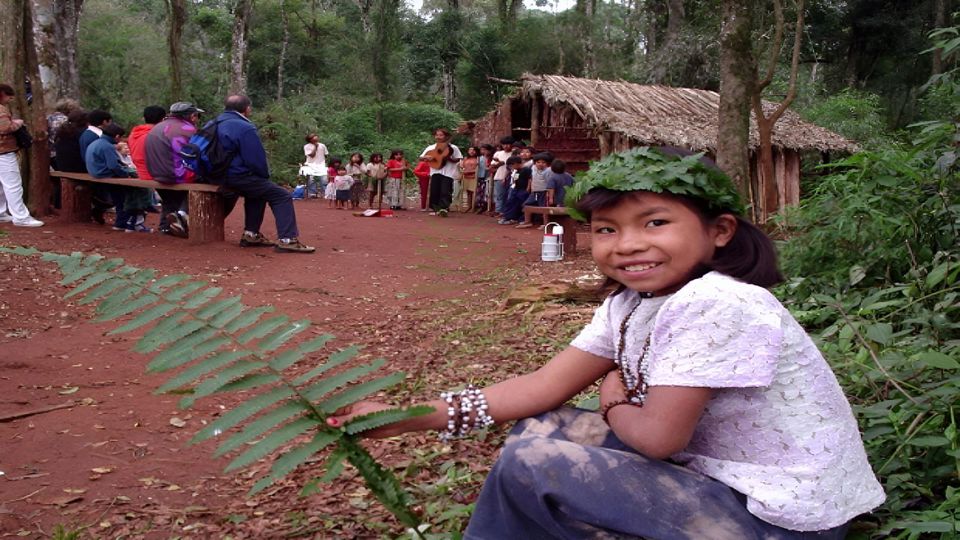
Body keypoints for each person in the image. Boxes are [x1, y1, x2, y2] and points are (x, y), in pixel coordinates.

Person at [325, 147, 886, 539]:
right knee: (541, 427)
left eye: (655, 222)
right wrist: (413, 415)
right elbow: (541, 387)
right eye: (607, 229)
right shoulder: (628, 304)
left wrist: (615, 400)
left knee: (536, 463)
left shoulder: (719, 302)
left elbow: (660, 440)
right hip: (719, 480)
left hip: (778, 520)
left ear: (719, 232)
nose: (627, 244)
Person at [214, 95, 314, 253]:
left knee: (257, 193)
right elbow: (255, 159)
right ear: (247, 109)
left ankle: (251, 234)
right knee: (281, 195)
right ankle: (287, 239)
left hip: (215, 175)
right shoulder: (244, 127)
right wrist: (263, 175)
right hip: (236, 176)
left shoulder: (214, 122)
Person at [144, 102, 205, 237]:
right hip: (175, 175)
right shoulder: (188, 130)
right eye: (197, 116)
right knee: (207, 179)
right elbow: (202, 153)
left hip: (156, 174)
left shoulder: (157, 127)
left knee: (170, 199)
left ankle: (166, 227)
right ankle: (182, 215)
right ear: (192, 116)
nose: (196, 119)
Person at [85, 123, 148, 232]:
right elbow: (113, 166)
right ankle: (124, 223)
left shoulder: (96, 142)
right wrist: (126, 175)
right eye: (121, 137)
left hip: (95, 172)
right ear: (117, 136)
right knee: (124, 198)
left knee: (118, 198)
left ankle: (121, 222)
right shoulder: (107, 146)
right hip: (105, 174)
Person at [0, 83, 43, 227]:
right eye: (8, 97)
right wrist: (17, 123)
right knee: (13, 185)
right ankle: (21, 217)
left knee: (1, 185)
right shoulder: (1, 110)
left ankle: (1, 212)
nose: (9, 100)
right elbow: (5, 127)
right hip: (4, 152)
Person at [419, 128, 462, 216]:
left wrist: (447, 158)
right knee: (435, 191)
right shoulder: (431, 147)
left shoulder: (453, 148)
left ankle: (444, 209)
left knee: (445, 191)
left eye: (441, 135)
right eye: (437, 135)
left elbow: (458, 158)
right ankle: (436, 209)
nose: (438, 137)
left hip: (448, 172)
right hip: (435, 171)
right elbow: (421, 157)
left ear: (446, 136)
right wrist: (428, 158)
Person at [515, 152, 553, 229]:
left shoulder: (548, 171)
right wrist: (530, 188)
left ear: (547, 164)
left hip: (544, 192)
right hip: (534, 191)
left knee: (544, 208)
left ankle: (546, 224)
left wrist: (549, 194)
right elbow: (531, 178)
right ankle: (527, 222)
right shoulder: (533, 168)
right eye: (538, 162)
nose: (540, 164)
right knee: (526, 205)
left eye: (543, 162)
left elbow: (550, 183)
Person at [497, 156, 531, 225]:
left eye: (512, 165)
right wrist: (514, 187)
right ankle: (509, 217)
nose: (511, 167)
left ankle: (522, 218)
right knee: (511, 202)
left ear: (516, 163)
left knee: (522, 203)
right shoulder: (516, 171)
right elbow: (515, 179)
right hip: (516, 189)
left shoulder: (526, 170)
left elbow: (529, 179)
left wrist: (528, 188)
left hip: (523, 189)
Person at [489, 136, 514, 216]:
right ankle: (499, 210)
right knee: (499, 195)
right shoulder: (498, 153)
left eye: (508, 144)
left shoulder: (514, 154)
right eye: (504, 144)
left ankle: (506, 211)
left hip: (511, 177)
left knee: (509, 195)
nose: (506, 146)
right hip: (499, 176)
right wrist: (499, 163)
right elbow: (492, 166)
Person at [302, 133, 328, 198]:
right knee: (311, 179)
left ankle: (326, 193)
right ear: (310, 140)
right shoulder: (307, 146)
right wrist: (315, 147)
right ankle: (312, 194)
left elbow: (326, 154)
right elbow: (311, 155)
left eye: (315, 136)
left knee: (324, 180)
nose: (315, 137)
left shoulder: (322, 145)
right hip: (311, 164)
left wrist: (324, 162)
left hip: (321, 165)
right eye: (313, 137)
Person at [459, 146, 479, 212]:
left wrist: (469, 172)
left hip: (474, 177)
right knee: (468, 192)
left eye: (473, 150)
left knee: (474, 191)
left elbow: (478, 169)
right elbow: (462, 167)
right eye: (470, 150)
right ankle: (469, 206)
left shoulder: (478, 159)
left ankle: (474, 206)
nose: (471, 152)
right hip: (466, 177)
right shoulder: (465, 158)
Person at [475, 143, 493, 213]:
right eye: (482, 150)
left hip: (488, 177)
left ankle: (486, 206)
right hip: (480, 176)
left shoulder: (491, 158)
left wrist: (488, 168)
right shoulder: (479, 158)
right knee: (480, 192)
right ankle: (480, 205)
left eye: (485, 150)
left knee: (487, 192)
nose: (483, 151)